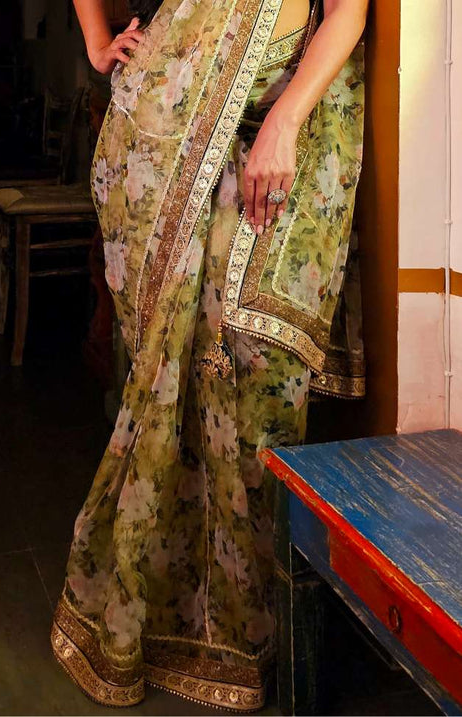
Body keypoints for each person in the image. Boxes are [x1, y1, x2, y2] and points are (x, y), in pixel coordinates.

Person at [51, 0, 368, 710]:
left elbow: (349, 13)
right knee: (168, 377)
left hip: (272, 140)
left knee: (257, 377)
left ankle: (245, 634)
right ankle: (156, 616)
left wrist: (285, 120)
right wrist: (97, 40)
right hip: (168, 139)